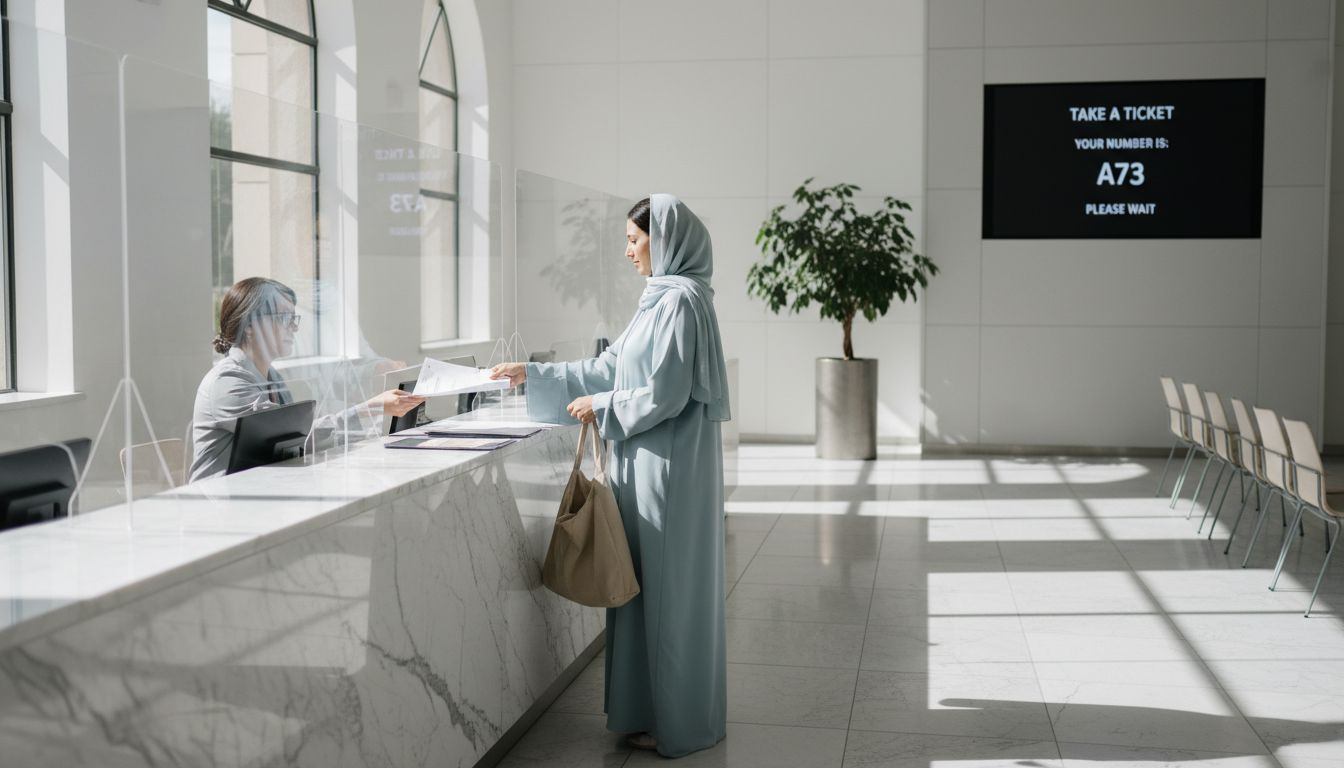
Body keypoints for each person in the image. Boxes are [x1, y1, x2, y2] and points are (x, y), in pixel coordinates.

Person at [490, 195, 730, 757]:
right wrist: (537, 374)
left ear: (664, 240)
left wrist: (605, 405)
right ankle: (655, 712)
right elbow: (611, 367)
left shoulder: (681, 303)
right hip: (648, 465)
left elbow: (664, 393)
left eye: (633, 240)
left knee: (667, 593)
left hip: (667, 472)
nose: (628, 252)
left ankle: (679, 723)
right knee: (646, 587)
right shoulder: (660, 300)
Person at [190, 277, 424, 482]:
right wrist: (370, 408)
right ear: (250, 326)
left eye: (294, 318)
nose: (293, 327)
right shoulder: (227, 382)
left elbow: (295, 442)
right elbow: (295, 436)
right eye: (284, 318)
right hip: (221, 508)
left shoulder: (273, 378)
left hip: (258, 493)